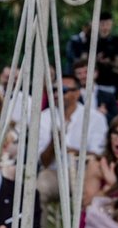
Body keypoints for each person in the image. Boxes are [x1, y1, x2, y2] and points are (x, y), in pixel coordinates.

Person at [38, 72, 108, 206]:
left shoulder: (95, 118)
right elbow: (44, 162)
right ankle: (38, 227)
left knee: (92, 194)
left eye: (63, 90)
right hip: (55, 173)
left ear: (77, 93)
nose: (57, 94)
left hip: (87, 175)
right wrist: (53, 143)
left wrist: (70, 151)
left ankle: (83, 226)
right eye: (54, 90)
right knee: (39, 188)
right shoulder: (44, 118)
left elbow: (98, 156)